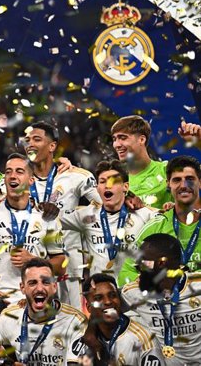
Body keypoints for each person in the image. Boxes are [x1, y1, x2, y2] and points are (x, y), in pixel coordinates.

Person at [0, 154, 65, 303]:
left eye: (19, 171)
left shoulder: (46, 217)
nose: (12, 176)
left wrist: (34, 260)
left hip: (37, 300)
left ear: (31, 180)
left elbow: (61, 264)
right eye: (8, 171)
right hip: (0, 301)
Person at [22, 121, 99, 307]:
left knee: (71, 324)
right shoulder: (17, 178)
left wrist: (69, 216)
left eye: (36, 139)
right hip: (28, 266)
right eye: (27, 140)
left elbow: (104, 205)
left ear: (52, 146)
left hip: (68, 267)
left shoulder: (76, 176)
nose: (30, 144)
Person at [60, 160, 156, 289]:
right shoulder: (86, 215)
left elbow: (174, 217)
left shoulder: (144, 214)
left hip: (134, 290)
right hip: (101, 292)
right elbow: (49, 217)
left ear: (126, 187)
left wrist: (170, 205)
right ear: (97, 188)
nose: (107, 185)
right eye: (102, 181)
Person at [118, 155, 201, 284]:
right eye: (177, 180)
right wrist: (148, 287)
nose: (184, 185)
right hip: (168, 302)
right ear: (168, 184)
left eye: (190, 179)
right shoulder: (154, 228)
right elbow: (126, 272)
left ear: (199, 182)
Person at [121, 233, 201, 365]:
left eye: (144, 261)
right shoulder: (133, 292)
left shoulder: (197, 284)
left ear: (162, 263)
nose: (138, 266)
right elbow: (104, 306)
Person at [0, 258, 87, 365]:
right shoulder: (8, 317)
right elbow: (11, 359)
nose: (39, 288)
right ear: (22, 288)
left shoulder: (76, 321)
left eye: (45, 282)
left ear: (54, 287)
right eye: (32, 283)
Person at [81, 273, 161, 366]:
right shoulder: (82, 339)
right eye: (98, 298)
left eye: (112, 295)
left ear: (120, 299)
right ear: (88, 307)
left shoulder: (143, 341)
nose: (108, 301)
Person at [111, 116, 172, 209]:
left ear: (142, 140)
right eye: (114, 139)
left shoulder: (167, 169)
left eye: (123, 138)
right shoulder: (115, 181)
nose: (117, 145)